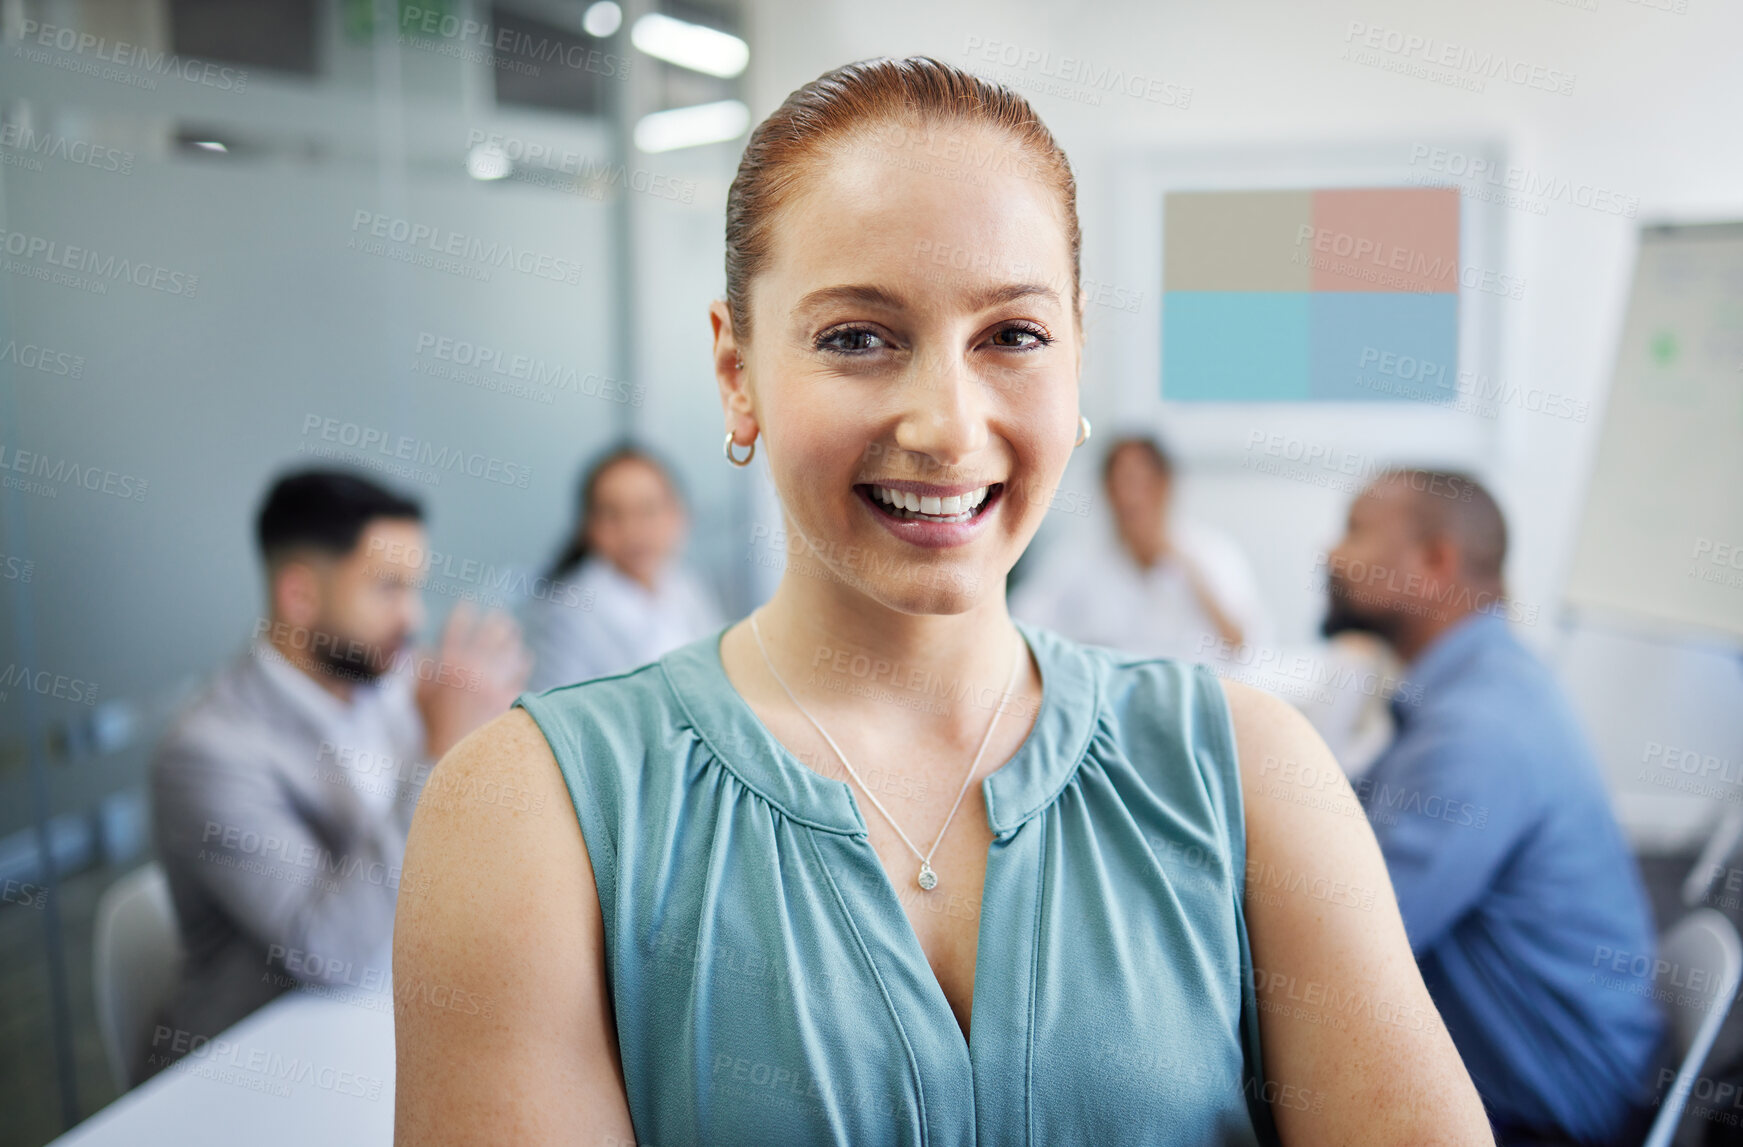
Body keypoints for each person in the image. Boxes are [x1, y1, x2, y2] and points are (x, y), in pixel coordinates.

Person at [393, 57, 1493, 1146]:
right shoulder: (530, 811)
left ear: (1078, 362)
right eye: (858, 337)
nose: (949, 426)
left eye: (1012, 335)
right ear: (737, 371)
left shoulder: (1250, 773)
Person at [1322, 468, 1664, 1147]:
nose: (1331, 555)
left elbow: (1346, 948)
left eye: (1355, 529)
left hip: (1546, 1113)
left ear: (1434, 563)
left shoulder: (1478, 728)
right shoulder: (1479, 684)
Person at [147, 469, 528, 1072]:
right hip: (256, 1069)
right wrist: (442, 753)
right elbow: (327, 950)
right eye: (387, 589)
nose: (414, 618)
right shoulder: (208, 751)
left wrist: (496, 740)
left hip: (386, 1020)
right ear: (299, 596)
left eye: (416, 588)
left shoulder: (389, 678)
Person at [1011, 434, 1272, 661]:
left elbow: (1247, 645)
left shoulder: (1210, 554)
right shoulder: (1077, 559)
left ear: (1165, 486)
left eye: (1140, 483)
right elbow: (1021, 623)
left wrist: (1188, 570)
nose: (1130, 497)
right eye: (1120, 484)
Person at [521, 443, 724, 691]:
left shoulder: (685, 585)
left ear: (678, 515)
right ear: (589, 527)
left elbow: (716, 672)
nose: (633, 531)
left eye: (648, 511)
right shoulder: (567, 611)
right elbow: (557, 713)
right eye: (612, 515)